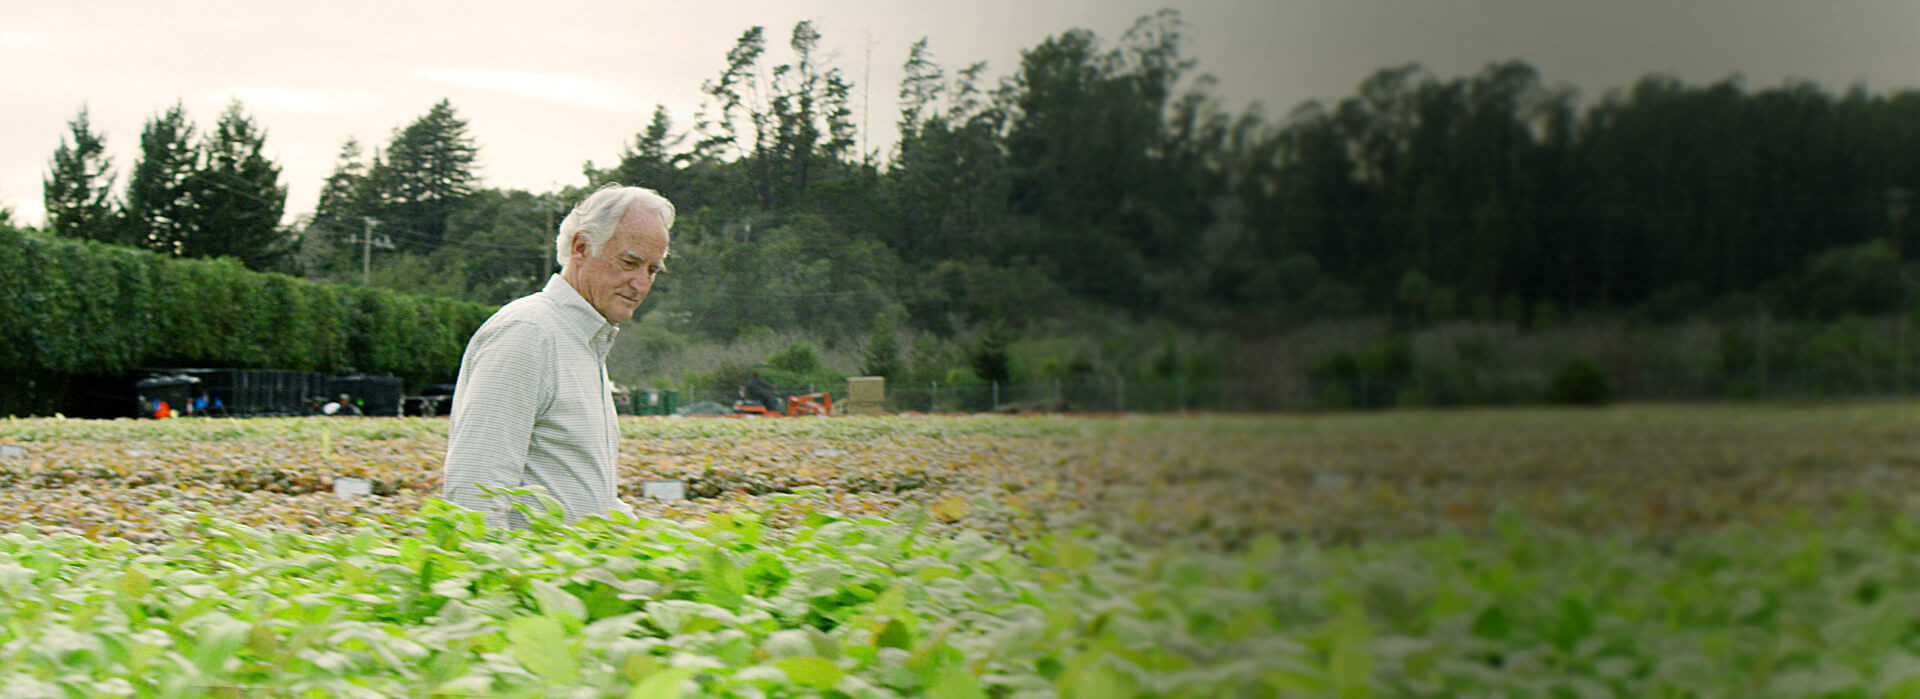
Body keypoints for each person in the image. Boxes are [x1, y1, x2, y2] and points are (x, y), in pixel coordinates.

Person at [442, 184, 674, 529]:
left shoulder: (584, 342)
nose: (640, 284)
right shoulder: (528, 333)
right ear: (581, 247)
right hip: (524, 565)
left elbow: (586, 495)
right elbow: (475, 491)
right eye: (630, 263)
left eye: (652, 270)